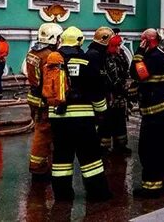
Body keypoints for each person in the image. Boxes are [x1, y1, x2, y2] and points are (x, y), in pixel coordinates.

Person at [49, 26, 112, 202]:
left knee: (61, 158)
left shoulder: (52, 60)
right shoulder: (85, 61)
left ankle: (62, 195)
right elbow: (96, 90)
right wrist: (101, 111)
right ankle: (98, 193)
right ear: (80, 42)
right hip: (82, 118)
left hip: (57, 118)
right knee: (90, 157)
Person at [130, 28, 164, 198]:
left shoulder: (153, 57)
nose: (141, 42)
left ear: (147, 41)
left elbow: (137, 73)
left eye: (142, 40)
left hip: (154, 113)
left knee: (149, 150)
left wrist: (138, 54)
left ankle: (151, 187)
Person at [23, 22, 63, 178]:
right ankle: (38, 167)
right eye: (58, 38)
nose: (60, 41)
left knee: (42, 131)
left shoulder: (33, 52)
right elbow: (51, 81)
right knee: (43, 133)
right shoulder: (49, 56)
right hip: (44, 101)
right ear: (53, 38)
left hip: (33, 98)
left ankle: (45, 164)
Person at [97, 32, 132, 154]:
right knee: (107, 122)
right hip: (110, 97)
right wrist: (123, 87)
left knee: (120, 121)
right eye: (117, 46)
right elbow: (113, 78)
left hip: (119, 97)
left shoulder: (120, 56)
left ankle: (120, 145)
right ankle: (104, 146)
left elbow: (126, 71)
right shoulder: (107, 58)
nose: (119, 48)